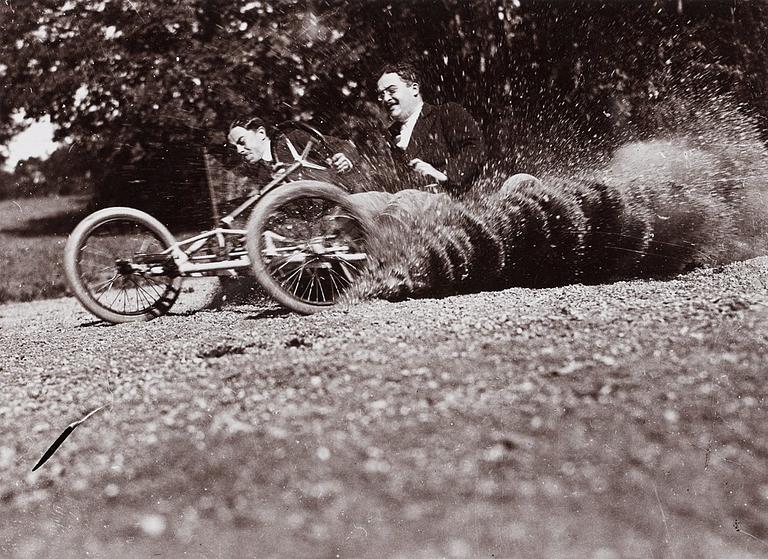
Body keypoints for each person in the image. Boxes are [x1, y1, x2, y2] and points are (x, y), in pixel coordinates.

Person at [375, 61, 486, 196]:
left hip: (453, 203)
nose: (386, 98)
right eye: (381, 95)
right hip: (406, 208)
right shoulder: (387, 136)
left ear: (414, 89)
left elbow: (475, 149)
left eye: (392, 91)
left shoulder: (446, 113)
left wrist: (444, 175)